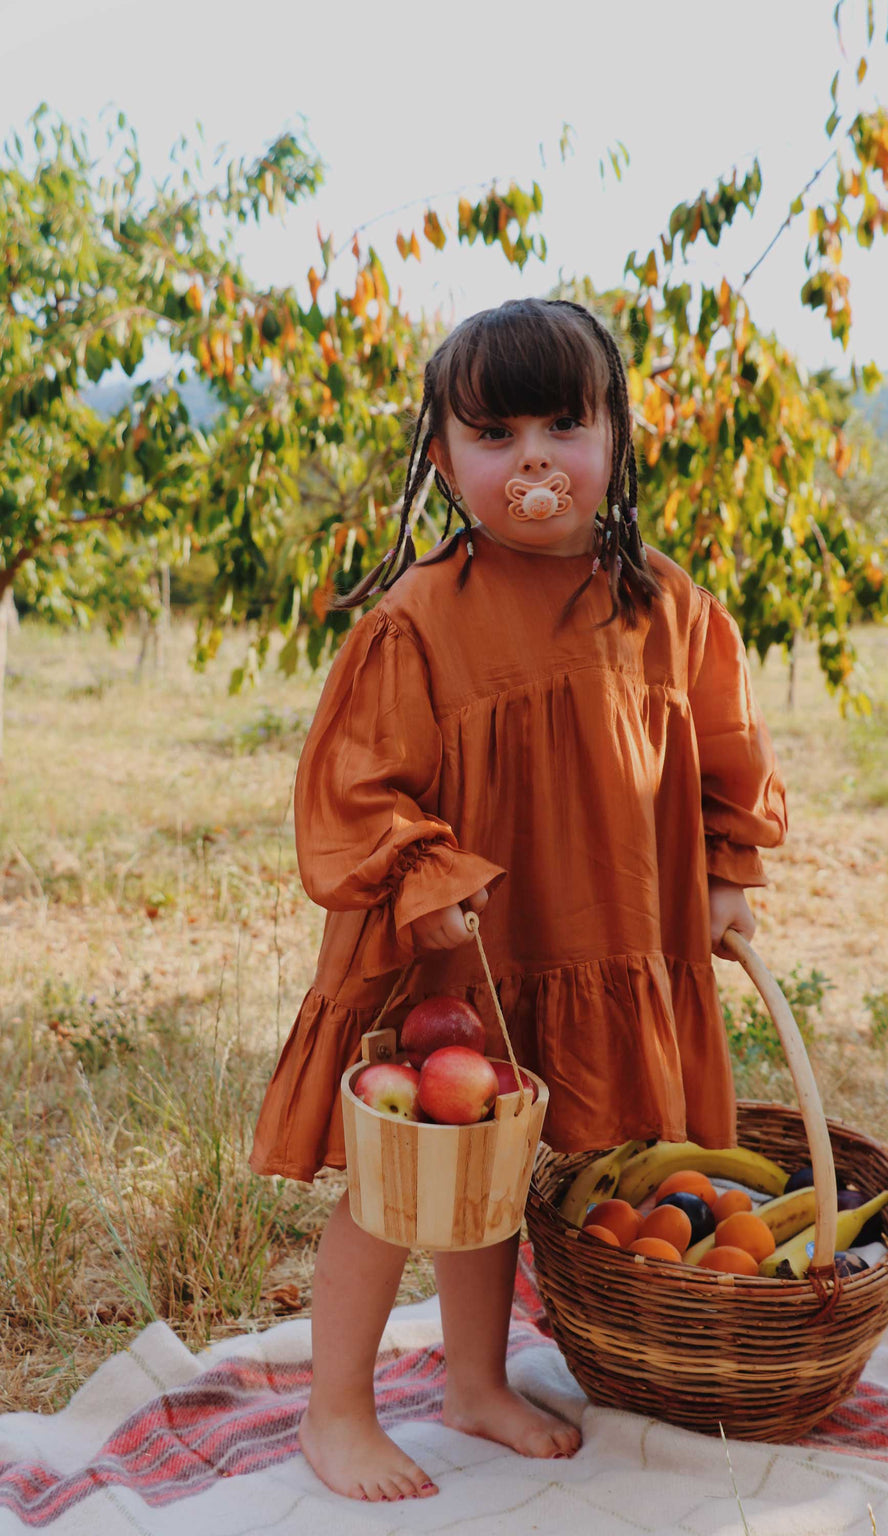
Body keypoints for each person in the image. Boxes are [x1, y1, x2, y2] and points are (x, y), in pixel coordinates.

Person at [250, 297, 787, 1503]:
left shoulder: (663, 602)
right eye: (495, 434)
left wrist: (721, 875)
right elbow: (357, 789)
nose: (534, 459)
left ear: (614, 440)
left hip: (595, 929)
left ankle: (474, 1383)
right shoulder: (420, 621)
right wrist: (422, 880)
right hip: (463, 954)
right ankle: (334, 1411)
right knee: (407, 1179)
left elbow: (725, 754)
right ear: (441, 459)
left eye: (563, 423)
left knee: (503, 1167)